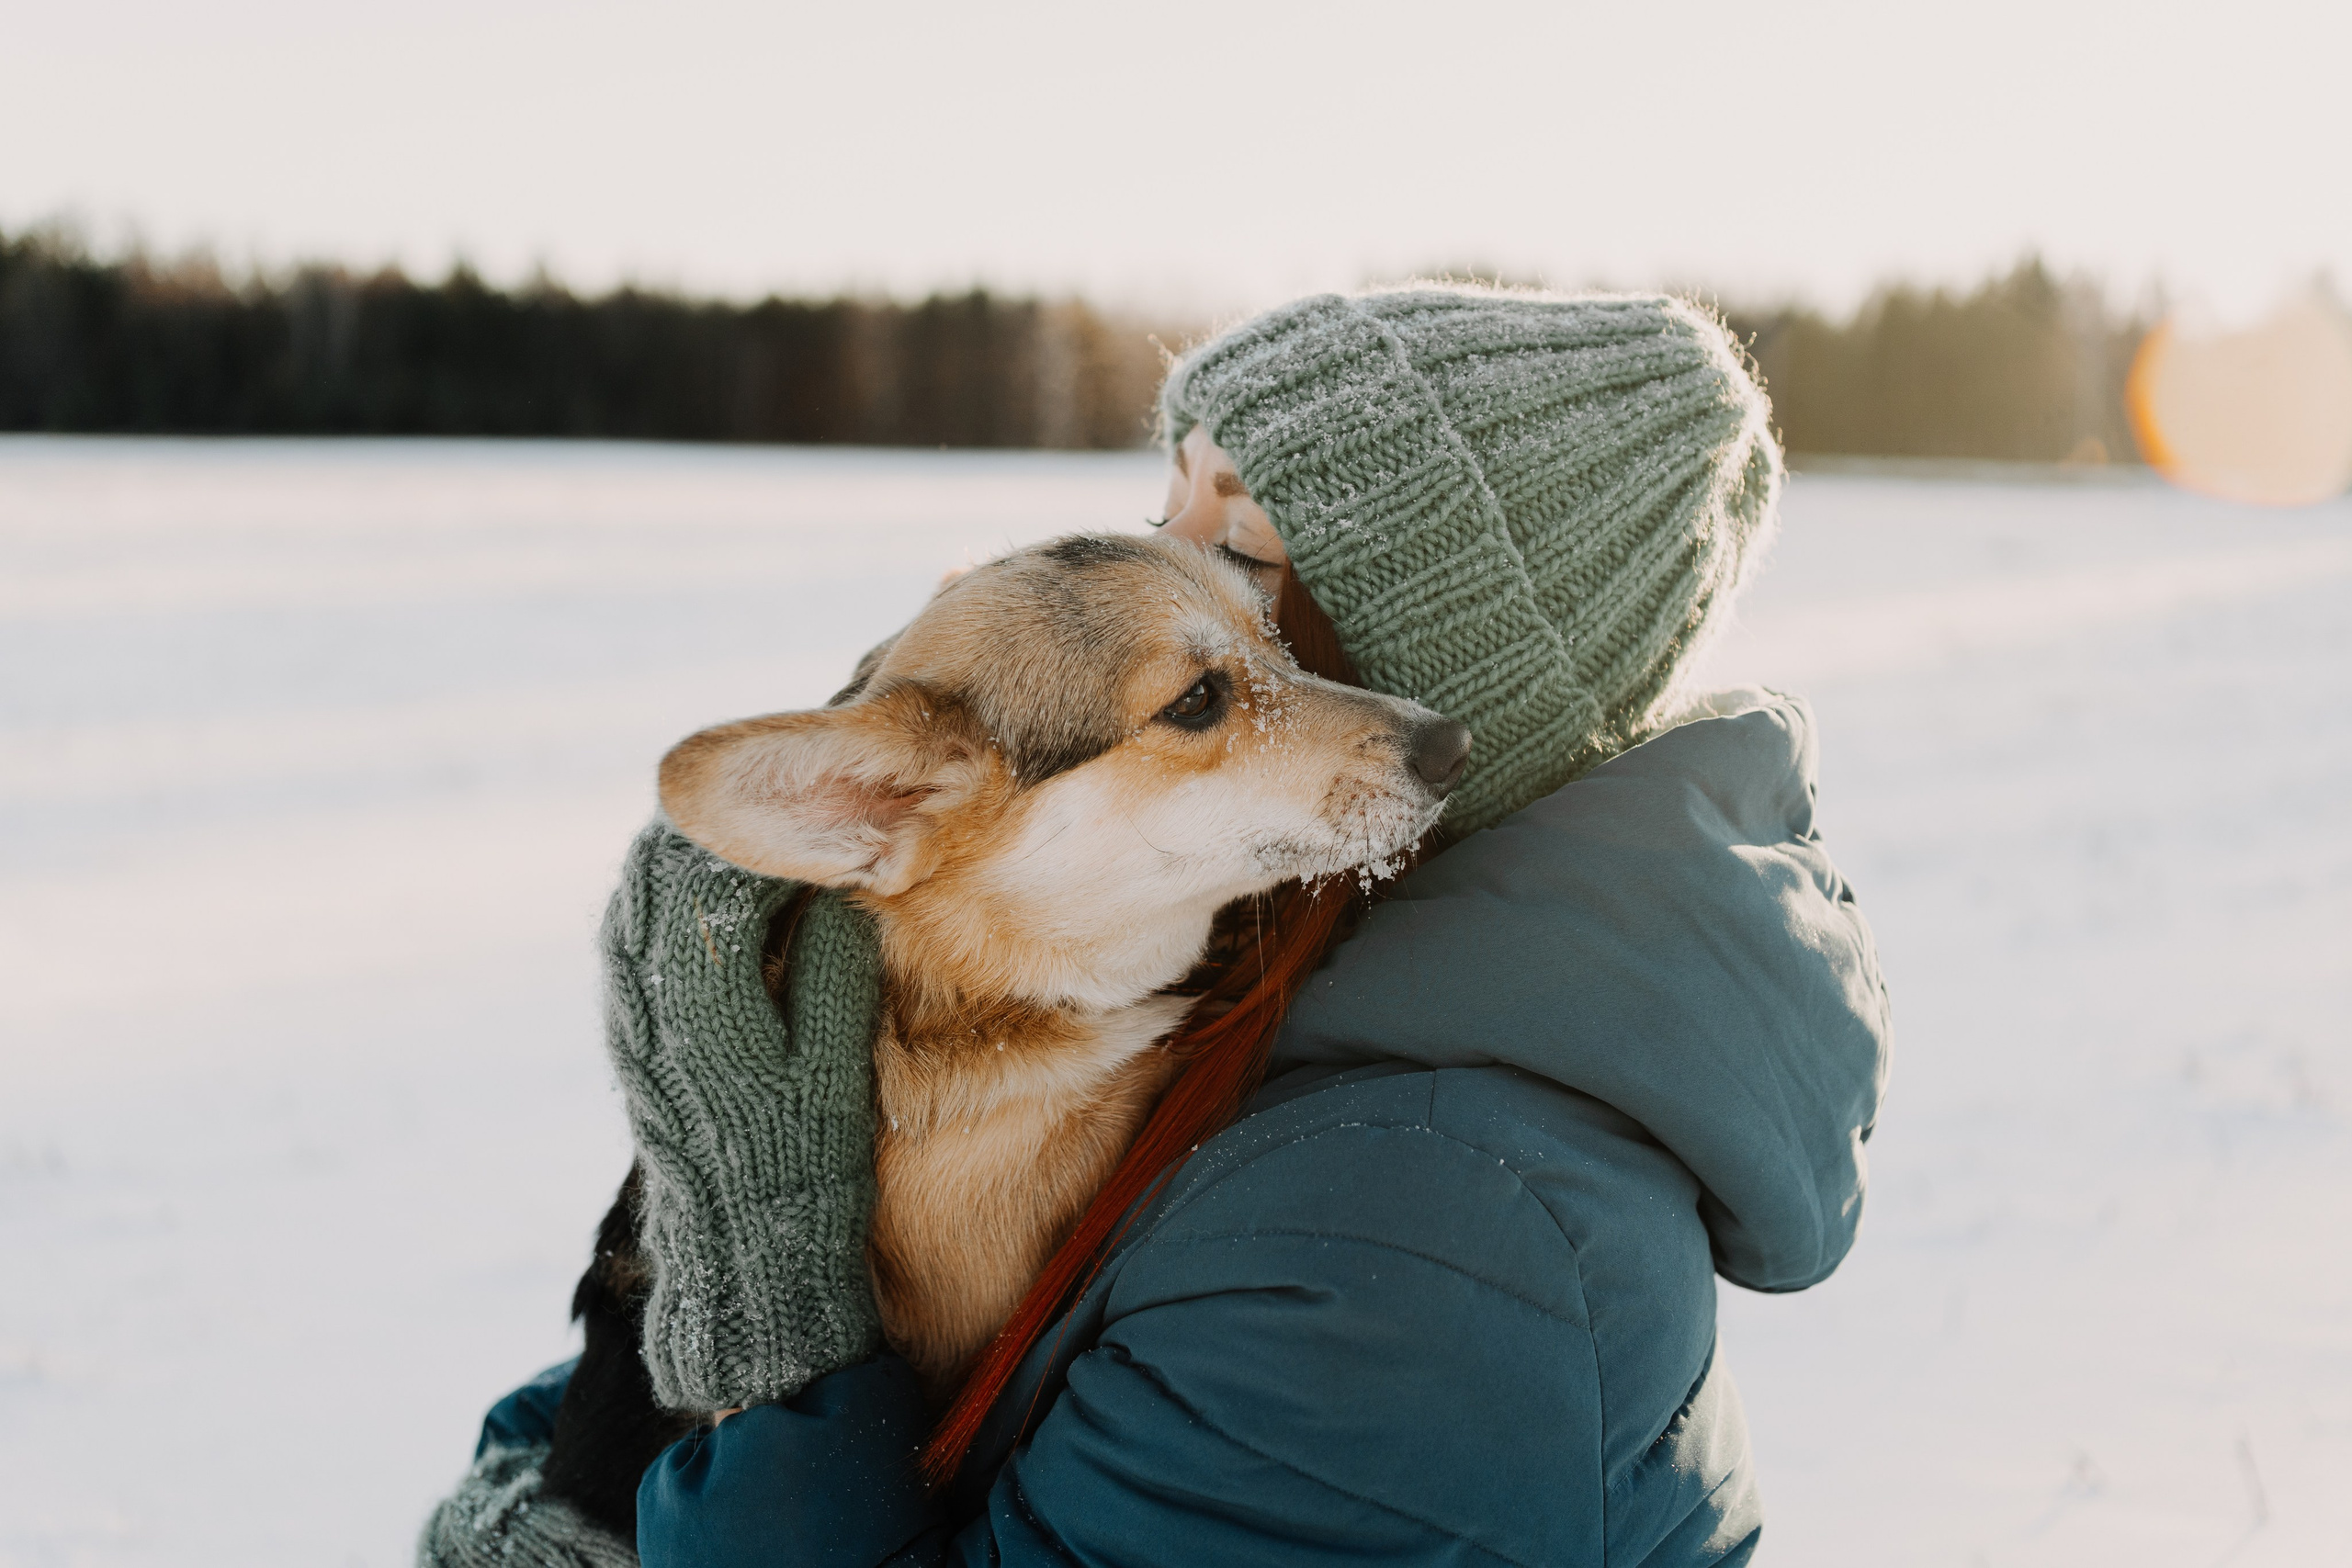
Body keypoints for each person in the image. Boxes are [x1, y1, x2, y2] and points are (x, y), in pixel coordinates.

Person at [420, 286, 1891, 1567]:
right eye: (1166, 502)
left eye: (1239, 550)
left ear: (1419, 671)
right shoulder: (1240, 1001)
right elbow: (628, 1403)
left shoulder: (1427, 1229)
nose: (1153, 567)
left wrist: (774, 1319)